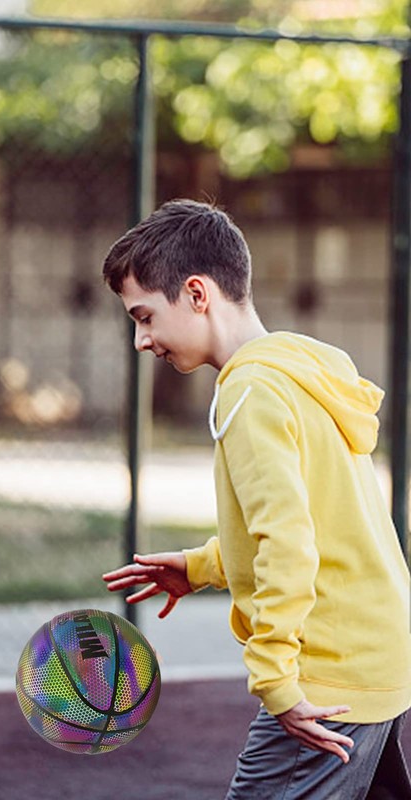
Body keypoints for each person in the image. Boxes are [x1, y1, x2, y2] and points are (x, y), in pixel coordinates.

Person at [101, 199, 411, 798]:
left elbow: (287, 543)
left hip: (328, 673)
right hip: (377, 653)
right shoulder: (297, 372)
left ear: (197, 294)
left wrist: (276, 682)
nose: (141, 340)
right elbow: (316, 520)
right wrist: (202, 566)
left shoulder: (249, 390)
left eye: (145, 317)